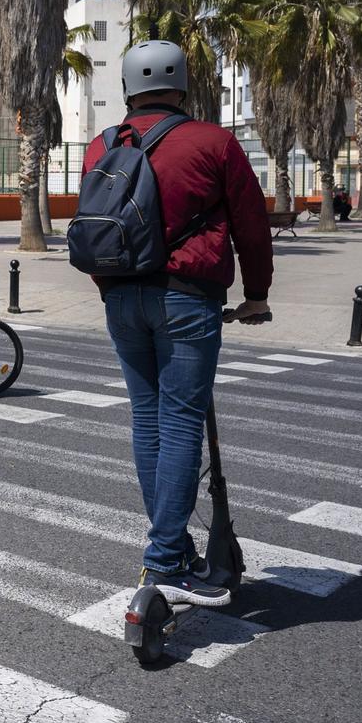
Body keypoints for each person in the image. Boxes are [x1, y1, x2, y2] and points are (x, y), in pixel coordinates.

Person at [80, 41, 273, 610]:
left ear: (127, 88)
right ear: (182, 85)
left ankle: (175, 548)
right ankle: (166, 559)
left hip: (121, 297)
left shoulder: (101, 145)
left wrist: (114, 290)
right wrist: (256, 294)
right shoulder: (213, 142)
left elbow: (92, 225)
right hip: (189, 297)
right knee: (183, 421)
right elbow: (251, 223)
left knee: (148, 419)